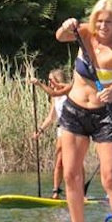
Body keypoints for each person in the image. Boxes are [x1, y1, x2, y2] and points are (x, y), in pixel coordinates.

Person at [55, 0, 112, 222]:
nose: (103, 26)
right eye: (99, 20)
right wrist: (68, 26)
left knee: (110, 177)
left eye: (108, 21)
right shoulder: (84, 33)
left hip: (106, 116)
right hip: (74, 112)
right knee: (70, 174)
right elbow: (60, 37)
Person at [34, 69, 72, 199]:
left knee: (72, 161)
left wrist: (39, 84)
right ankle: (56, 191)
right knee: (59, 161)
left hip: (73, 130)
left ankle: (79, 192)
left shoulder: (69, 92)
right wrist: (40, 130)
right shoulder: (55, 97)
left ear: (57, 80)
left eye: (51, 80)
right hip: (61, 129)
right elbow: (51, 117)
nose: (49, 82)